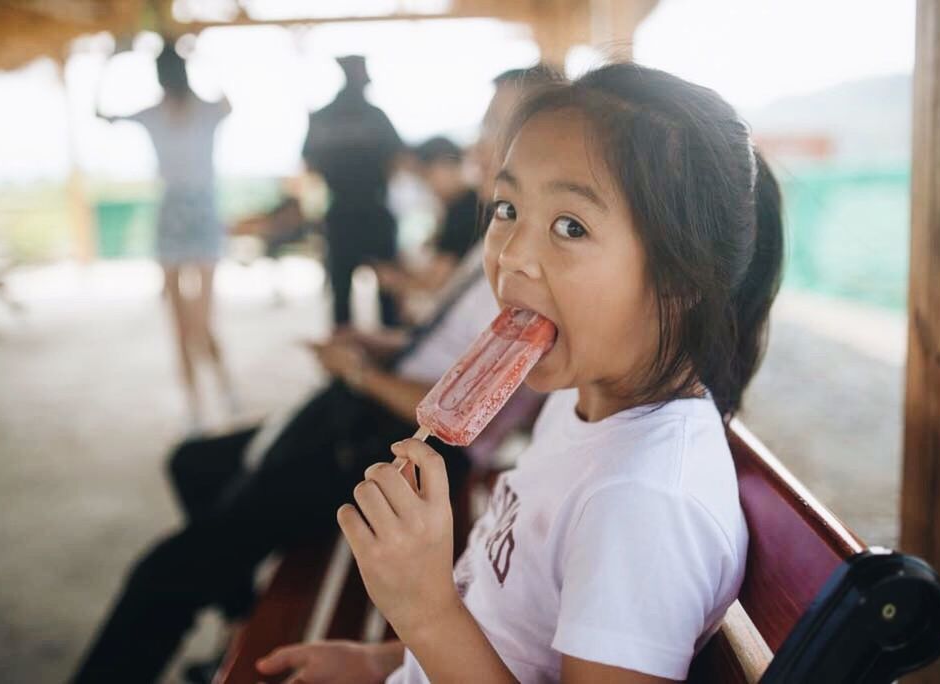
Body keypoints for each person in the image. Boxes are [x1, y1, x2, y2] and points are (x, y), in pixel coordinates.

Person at [256, 62, 785, 683]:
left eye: (570, 226)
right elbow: (508, 623)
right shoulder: (579, 402)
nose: (510, 254)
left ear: (682, 278)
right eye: (506, 208)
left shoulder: (643, 504)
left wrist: (425, 613)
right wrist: (379, 661)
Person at [69, 64, 560, 684]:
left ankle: (221, 596)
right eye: (485, 128)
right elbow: (443, 348)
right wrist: (375, 343)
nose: (479, 147)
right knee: (196, 463)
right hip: (363, 412)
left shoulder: (530, 269)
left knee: (164, 571)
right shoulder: (493, 238)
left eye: (498, 128)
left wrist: (355, 372)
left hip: (403, 449)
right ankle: (237, 610)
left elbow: (462, 417)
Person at [98, 42, 236, 432]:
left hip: (187, 210)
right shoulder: (187, 111)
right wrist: (203, 55)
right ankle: (205, 398)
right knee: (191, 319)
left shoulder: (182, 112)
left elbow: (101, 114)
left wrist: (110, 62)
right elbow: (230, 102)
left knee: (193, 319)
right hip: (188, 210)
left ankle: (211, 394)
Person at [303, 55, 404, 327]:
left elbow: (309, 166)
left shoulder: (323, 117)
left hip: (340, 213)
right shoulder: (376, 116)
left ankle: (342, 364)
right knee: (388, 293)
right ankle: (388, 359)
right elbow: (398, 160)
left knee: (340, 297)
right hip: (374, 210)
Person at [375, 136, 481, 322]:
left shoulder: (466, 211)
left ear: (443, 166)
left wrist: (395, 281)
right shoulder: (460, 208)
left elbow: (437, 280)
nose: (427, 187)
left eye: (426, 176)